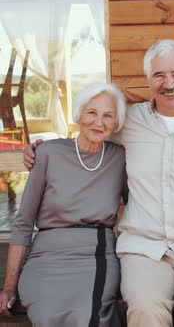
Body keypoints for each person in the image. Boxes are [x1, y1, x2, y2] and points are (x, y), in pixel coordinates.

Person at [24, 39, 174, 327]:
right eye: (159, 75)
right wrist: (43, 147)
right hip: (143, 247)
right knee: (144, 307)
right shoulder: (128, 122)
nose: (169, 83)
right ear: (148, 79)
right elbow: (89, 135)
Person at [0, 83, 127, 326]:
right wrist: (9, 286)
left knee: (89, 316)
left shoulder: (119, 157)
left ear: (115, 123)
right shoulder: (47, 153)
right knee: (45, 316)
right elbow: (24, 222)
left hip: (96, 254)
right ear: (79, 114)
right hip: (45, 258)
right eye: (92, 113)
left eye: (107, 116)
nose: (98, 122)